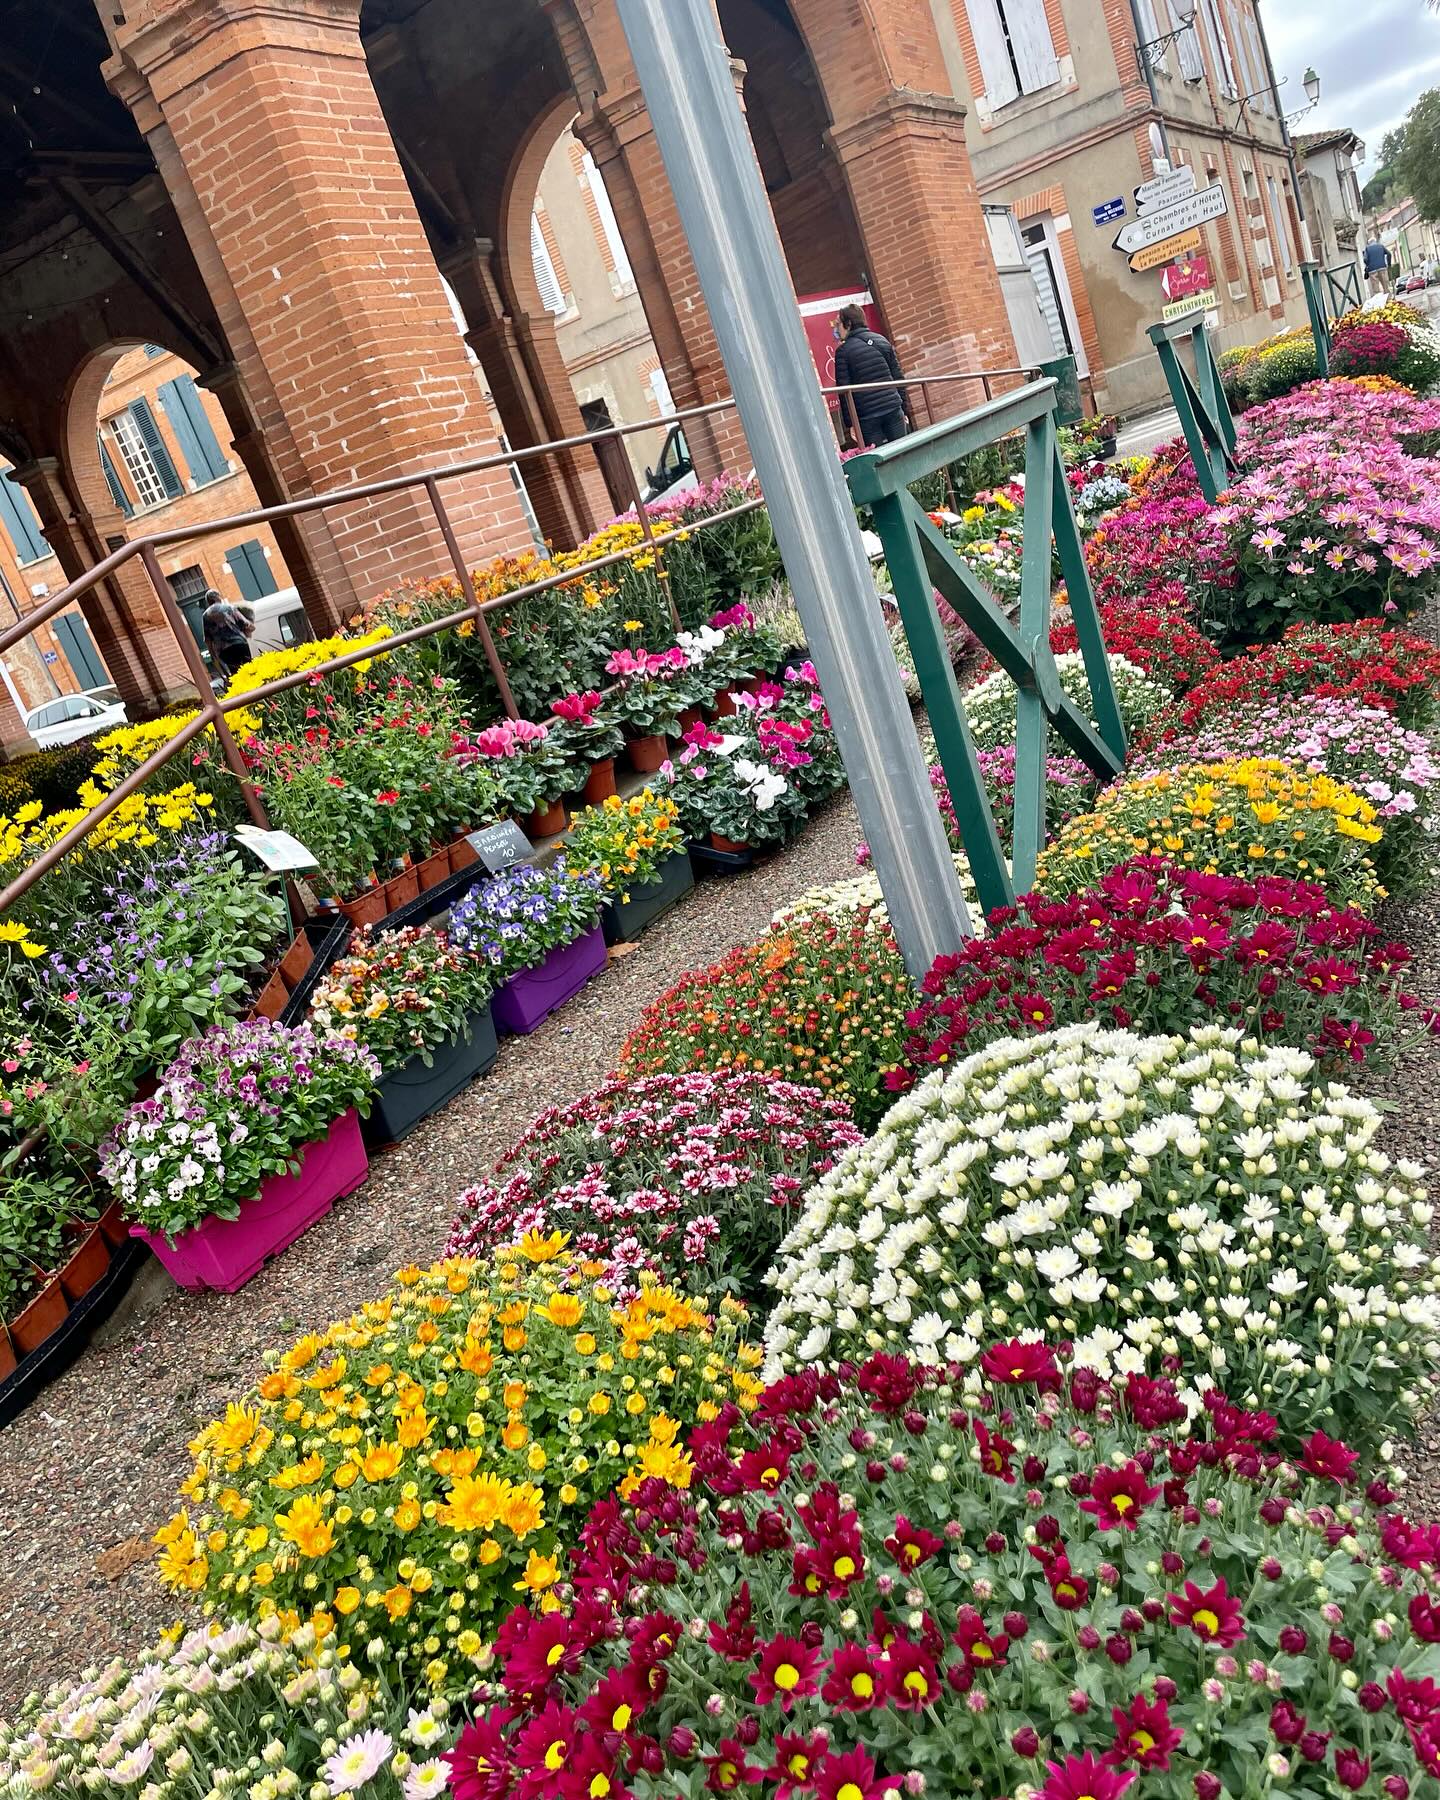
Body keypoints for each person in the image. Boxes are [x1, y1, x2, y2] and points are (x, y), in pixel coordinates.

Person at [833, 304, 912, 447]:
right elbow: (898, 377)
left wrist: (851, 423)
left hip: (867, 417)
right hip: (893, 408)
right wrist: (904, 409)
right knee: (903, 451)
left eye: (838, 324)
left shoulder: (843, 352)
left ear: (848, 324)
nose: (837, 328)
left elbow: (844, 391)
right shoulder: (881, 341)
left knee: (878, 459)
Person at [201, 587, 254, 682]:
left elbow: (208, 639)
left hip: (224, 650)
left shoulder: (205, 616)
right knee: (250, 669)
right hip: (240, 644)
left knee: (235, 673)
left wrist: (213, 655)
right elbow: (246, 624)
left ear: (208, 601)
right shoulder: (230, 608)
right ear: (218, 597)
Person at [1363, 233, 1392, 297]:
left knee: (1376, 289)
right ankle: (1389, 301)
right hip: (1382, 268)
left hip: (1372, 270)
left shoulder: (1367, 248)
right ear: (1375, 241)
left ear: (1369, 243)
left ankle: (1379, 303)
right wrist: (1388, 264)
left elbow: (1365, 259)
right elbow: (1389, 254)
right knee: (1386, 287)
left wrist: (1369, 265)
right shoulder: (1381, 246)